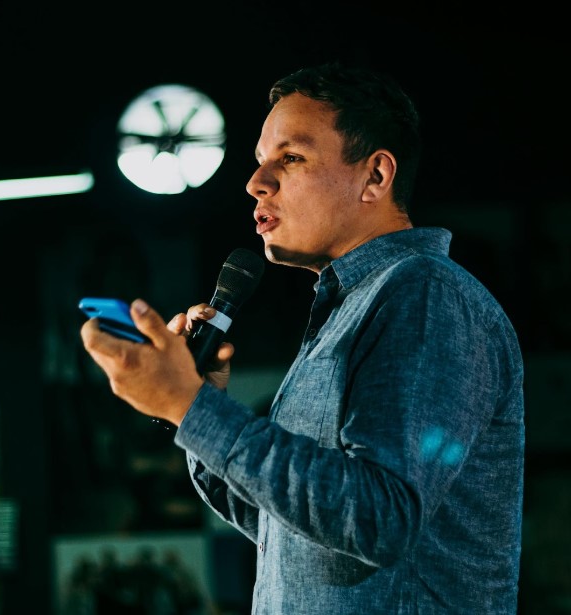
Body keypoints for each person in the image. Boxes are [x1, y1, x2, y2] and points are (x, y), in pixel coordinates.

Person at [81, 61, 525, 614]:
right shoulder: (352, 309)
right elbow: (286, 526)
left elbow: (378, 519)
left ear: (376, 176)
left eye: (290, 158)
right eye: (259, 162)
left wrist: (189, 404)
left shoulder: (422, 294)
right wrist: (198, 410)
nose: (255, 183)